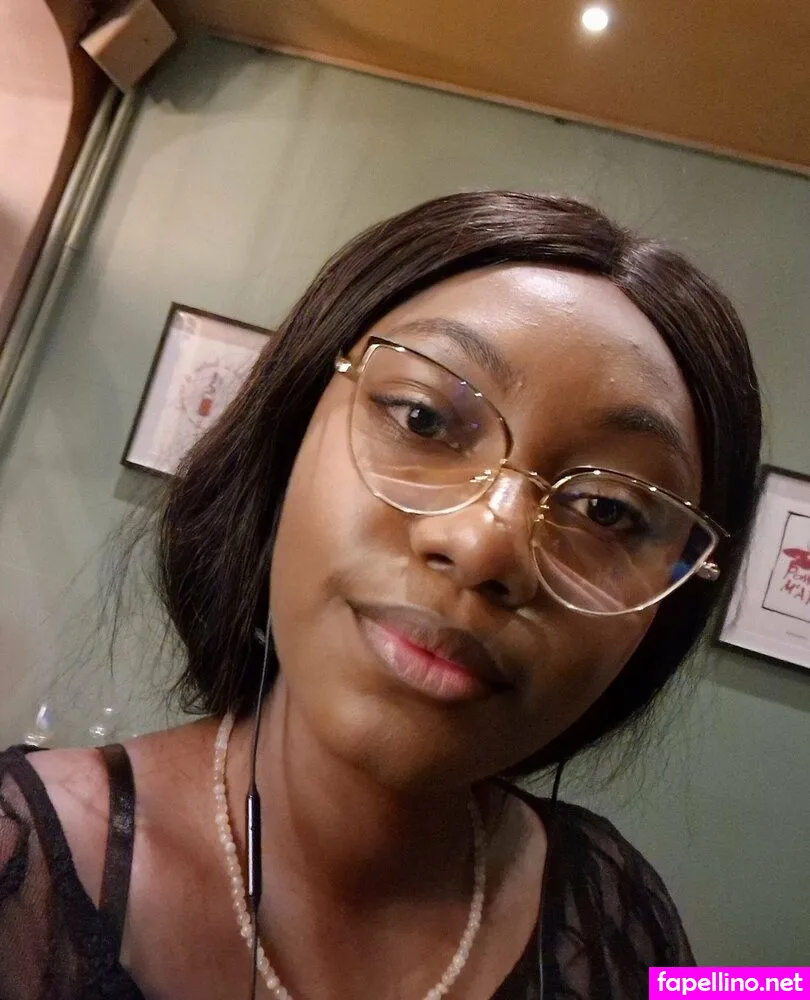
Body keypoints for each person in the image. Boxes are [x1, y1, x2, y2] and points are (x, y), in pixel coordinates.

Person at [0, 191, 762, 1000]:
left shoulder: (614, 912)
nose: (483, 546)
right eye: (425, 420)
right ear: (289, 432)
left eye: (607, 511)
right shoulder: (22, 870)